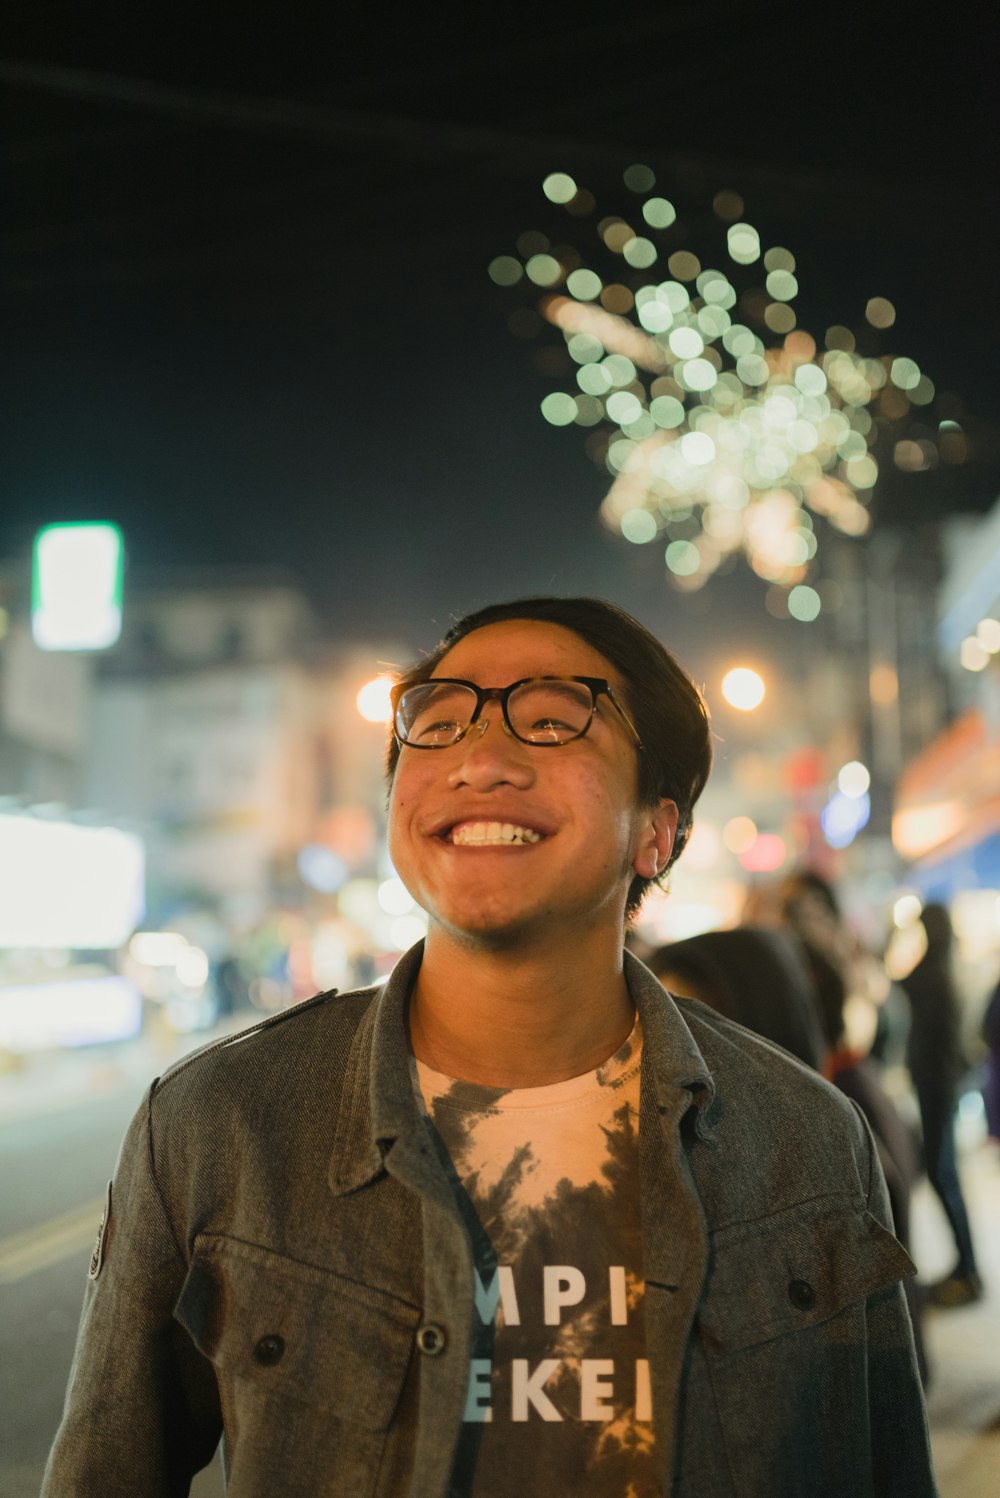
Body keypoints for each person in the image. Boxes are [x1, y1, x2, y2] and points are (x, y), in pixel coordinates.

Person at [44, 596, 936, 1497]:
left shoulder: (804, 1138)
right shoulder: (217, 1124)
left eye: (552, 722)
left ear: (656, 830)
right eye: (437, 724)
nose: (481, 759)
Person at [901, 901, 982, 1307]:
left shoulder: (932, 973)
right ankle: (965, 1268)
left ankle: (967, 1270)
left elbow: (902, 982)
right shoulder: (944, 968)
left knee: (942, 1173)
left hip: (937, 1086)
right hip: (939, 1084)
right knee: (942, 1172)